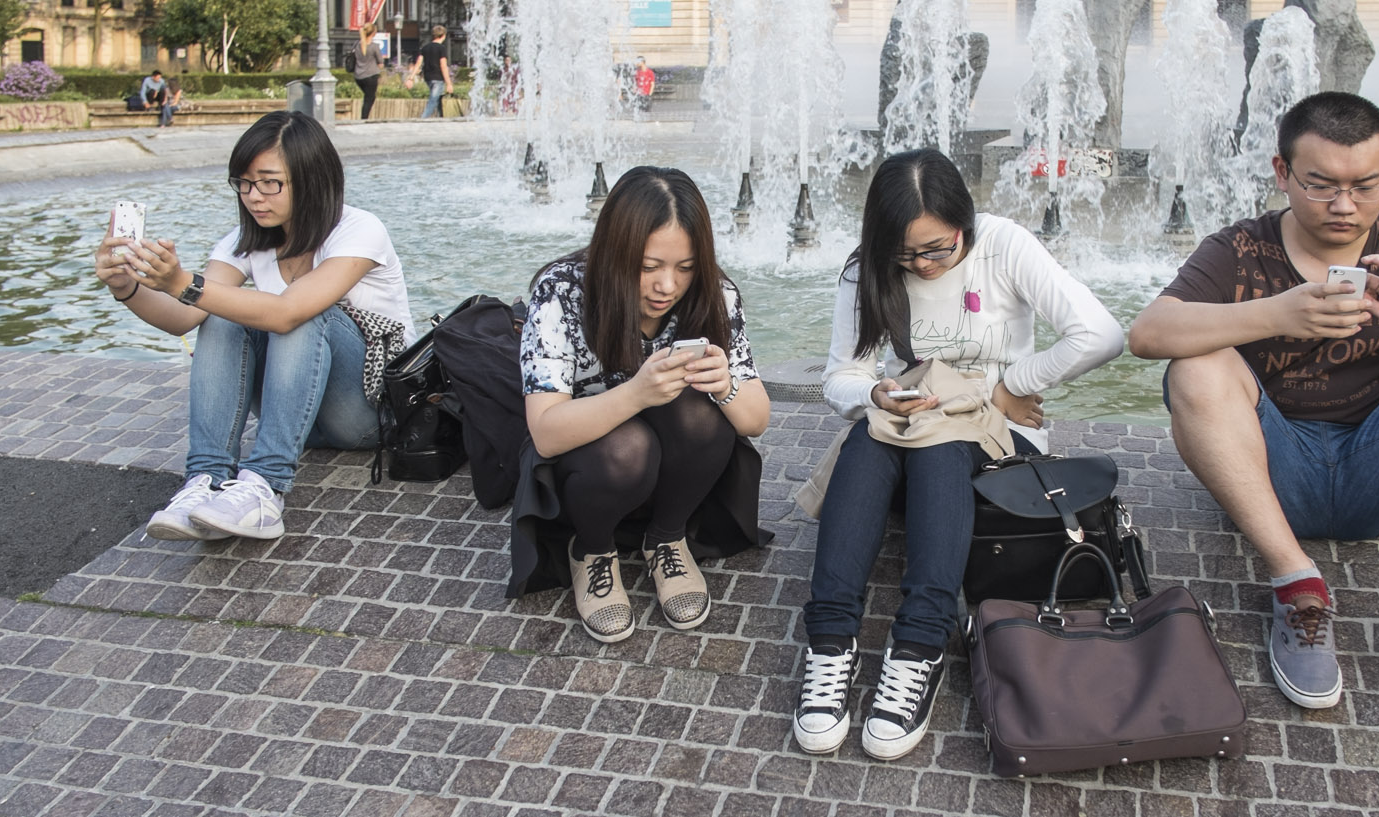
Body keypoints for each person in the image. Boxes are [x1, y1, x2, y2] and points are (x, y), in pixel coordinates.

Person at [1128, 91, 1379, 767]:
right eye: (1320, 185)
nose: (1344, 205)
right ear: (1282, 172)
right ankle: (1297, 585)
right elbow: (1148, 333)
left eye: (1364, 186)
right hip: (1269, 474)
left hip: (1377, 471)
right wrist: (1277, 313)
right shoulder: (1241, 248)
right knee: (1195, 369)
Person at [791, 148, 1123, 760]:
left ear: (965, 225)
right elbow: (841, 375)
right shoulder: (866, 269)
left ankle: (920, 644)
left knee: (938, 446)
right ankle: (829, 641)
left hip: (1000, 432)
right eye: (905, 254)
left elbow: (1101, 333)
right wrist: (875, 391)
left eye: (937, 250)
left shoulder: (1005, 245)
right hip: (910, 424)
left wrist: (1012, 385)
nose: (922, 265)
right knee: (871, 431)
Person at [92, 111, 412, 542]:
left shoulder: (358, 230)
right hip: (296, 413)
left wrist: (181, 282)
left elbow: (286, 313)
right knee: (221, 312)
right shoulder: (245, 241)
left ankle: (265, 488)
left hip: (368, 412)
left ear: (311, 177)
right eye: (243, 183)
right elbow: (184, 317)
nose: (254, 197)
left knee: (300, 313)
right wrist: (126, 287)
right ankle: (205, 480)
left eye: (269, 182)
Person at [514, 166, 771, 644]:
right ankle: (592, 551)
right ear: (615, 250)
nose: (667, 287)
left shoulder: (714, 294)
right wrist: (636, 393)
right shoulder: (562, 292)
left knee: (704, 417)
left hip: (675, 476)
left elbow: (756, 420)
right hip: (589, 468)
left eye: (685, 267)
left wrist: (725, 385)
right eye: (648, 266)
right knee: (627, 446)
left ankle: (667, 538)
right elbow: (546, 431)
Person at [408, 25, 453, 119]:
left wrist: (411, 78)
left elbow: (418, 63)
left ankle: (440, 117)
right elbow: (443, 66)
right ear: (443, 36)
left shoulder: (425, 48)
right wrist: (449, 83)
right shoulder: (441, 48)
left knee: (438, 97)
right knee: (433, 99)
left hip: (428, 77)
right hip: (438, 77)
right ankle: (423, 119)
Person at [352, 22, 383, 120]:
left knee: (369, 97)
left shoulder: (356, 44)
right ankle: (364, 118)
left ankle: (364, 117)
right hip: (371, 76)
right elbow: (380, 63)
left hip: (358, 77)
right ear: (373, 33)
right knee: (369, 98)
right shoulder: (374, 46)